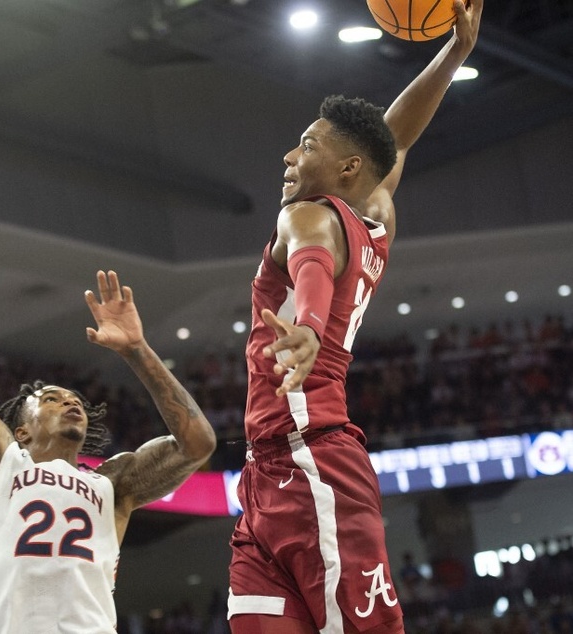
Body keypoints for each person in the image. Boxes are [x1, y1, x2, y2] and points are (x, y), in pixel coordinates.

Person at [0, 141, 216, 634]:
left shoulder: (113, 486)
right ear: (20, 431)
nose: (71, 403)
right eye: (54, 398)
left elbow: (199, 444)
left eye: (76, 400)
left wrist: (136, 352)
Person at [227, 1, 484, 633]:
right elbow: (392, 140)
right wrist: (453, 55)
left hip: (313, 461)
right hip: (269, 474)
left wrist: (311, 329)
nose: (290, 154)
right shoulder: (374, 215)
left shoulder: (307, 214)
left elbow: (313, 266)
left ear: (343, 168)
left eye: (307, 144)